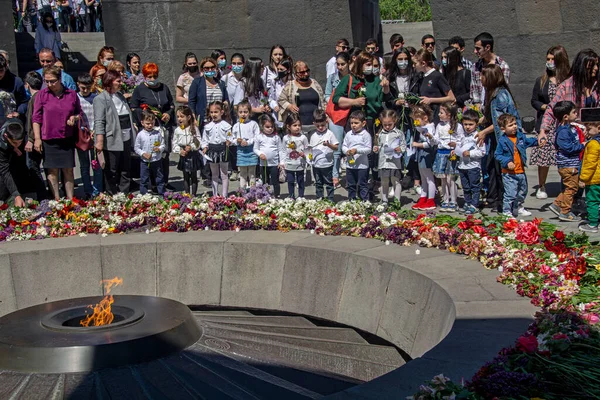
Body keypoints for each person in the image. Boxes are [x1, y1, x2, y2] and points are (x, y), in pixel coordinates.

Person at [539, 49, 599, 198]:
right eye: (592, 65)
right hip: (572, 137)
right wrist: (543, 131)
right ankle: (569, 203)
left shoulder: (597, 85)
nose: (596, 69)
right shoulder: (567, 85)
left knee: (593, 170)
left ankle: (592, 203)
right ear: (582, 66)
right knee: (573, 172)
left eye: (597, 65)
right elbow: (551, 109)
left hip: (594, 135)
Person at [476, 64, 529, 213]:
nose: (481, 78)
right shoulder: (493, 93)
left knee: (504, 171)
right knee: (493, 168)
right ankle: (496, 200)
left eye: (483, 75)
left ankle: (510, 204)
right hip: (498, 139)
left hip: (506, 139)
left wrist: (484, 132)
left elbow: (501, 123)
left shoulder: (500, 95)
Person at [32, 65, 80, 200]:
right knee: (52, 171)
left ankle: (70, 199)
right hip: (49, 137)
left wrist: (74, 117)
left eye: (52, 81)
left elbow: (78, 112)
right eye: (46, 81)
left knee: (68, 169)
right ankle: (57, 199)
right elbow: (36, 118)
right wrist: (37, 138)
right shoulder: (42, 95)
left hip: (66, 137)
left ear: (60, 79)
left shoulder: (71, 94)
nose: (49, 84)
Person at [530, 45, 570, 199]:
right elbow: (534, 100)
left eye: (552, 59)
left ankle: (565, 185)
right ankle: (541, 186)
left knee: (565, 154)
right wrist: (544, 106)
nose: (549, 62)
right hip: (546, 122)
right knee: (544, 155)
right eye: (548, 59)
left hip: (563, 123)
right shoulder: (541, 80)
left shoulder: (567, 80)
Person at [130, 62, 175, 187]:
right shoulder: (139, 89)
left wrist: (168, 114)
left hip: (163, 126)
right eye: (149, 77)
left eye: (155, 76)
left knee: (164, 153)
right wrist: (147, 113)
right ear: (144, 76)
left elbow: (171, 104)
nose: (152, 79)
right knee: (150, 154)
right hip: (148, 127)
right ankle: (152, 183)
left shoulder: (164, 87)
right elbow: (133, 107)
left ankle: (164, 182)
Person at [93, 70, 135, 195]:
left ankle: (124, 193)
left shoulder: (120, 96)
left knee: (125, 168)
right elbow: (99, 121)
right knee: (111, 169)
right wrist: (99, 141)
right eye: (118, 81)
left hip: (126, 136)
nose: (121, 83)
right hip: (112, 139)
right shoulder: (100, 99)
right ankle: (111, 194)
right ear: (110, 82)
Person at [494, 113, 540, 217]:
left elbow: (529, 142)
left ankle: (518, 206)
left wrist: (538, 141)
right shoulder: (503, 141)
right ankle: (506, 212)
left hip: (521, 171)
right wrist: (507, 162)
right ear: (503, 129)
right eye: (510, 125)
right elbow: (497, 155)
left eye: (515, 124)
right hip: (509, 174)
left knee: (523, 191)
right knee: (510, 193)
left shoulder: (520, 137)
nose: (514, 126)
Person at [547, 101, 584, 222]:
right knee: (572, 189)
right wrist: (582, 146)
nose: (576, 113)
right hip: (568, 166)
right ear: (565, 116)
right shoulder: (563, 131)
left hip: (571, 164)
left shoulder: (569, 128)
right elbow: (568, 148)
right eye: (574, 112)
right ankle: (565, 212)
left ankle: (557, 204)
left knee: (569, 187)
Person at [324, 51, 350, 187]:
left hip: (350, 113)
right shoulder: (333, 77)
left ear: (349, 63)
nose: (340, 67)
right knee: (336, 147)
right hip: (335, 114)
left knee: (351, 145)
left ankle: (352, 176)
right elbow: (327, 94)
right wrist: (331, 106)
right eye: (338, 64)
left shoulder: (352, 78)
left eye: (343, 64)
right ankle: (335, 176)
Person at [432, 102, 464, 212]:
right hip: (441, 153)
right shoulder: (439, 126)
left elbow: (461, 140)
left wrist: (456, 148)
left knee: (451, 179)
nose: (439, 115)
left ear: (449, 114)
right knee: (443, 179)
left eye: (441, 113)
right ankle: (445, 200)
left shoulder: (457, 126)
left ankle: (453, 201)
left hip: (451, 154)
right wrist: (431, 137)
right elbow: (436, 139)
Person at [76, 72, 102, 198]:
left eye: (87, 87)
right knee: (84, 164)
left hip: (94, 133)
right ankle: (87, 189)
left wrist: (95, 130)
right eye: (82, 88)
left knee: (96, 163)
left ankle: (97, 190)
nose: (85, 90)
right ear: (78, 85)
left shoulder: (96, 97)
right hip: (82, 134)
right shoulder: (76, 98)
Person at [23, 71, 48, 200]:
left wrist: (31, 139)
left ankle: (42, 195)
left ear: (27, 85)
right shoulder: (42, 96)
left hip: (35, 138)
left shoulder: (35, 98)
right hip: (43, 137)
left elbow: (34, 121)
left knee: (33, 166)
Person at [278, 60, 325, 129]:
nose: (306, 74)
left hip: (317, 125)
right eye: (302, 72)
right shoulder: (290, 85)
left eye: (307, 71)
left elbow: (323, 101)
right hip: (298, 127)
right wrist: (289, 106)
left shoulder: (314, 83)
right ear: (296, 74)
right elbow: (281, 99)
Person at [372, 109, 406, 204]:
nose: (387, 127)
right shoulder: (380, 134)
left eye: (389, 124)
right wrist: (376, 149)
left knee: (395, 181)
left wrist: (400, 149)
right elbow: (378, 146)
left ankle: (397, 200)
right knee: (384, 181)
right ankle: (384, 200)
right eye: (385, 124)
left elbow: (404, 146)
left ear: (394, 121)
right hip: (383, 162)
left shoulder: (398, 133)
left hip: (394, 162)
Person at [413, 49, 455, 123]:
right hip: (427, 115)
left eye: (415, 63)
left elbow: (451, 97)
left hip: (437, 114)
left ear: (423, 63)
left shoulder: (437, 76)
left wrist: (430, 100)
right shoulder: (421, 77)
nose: (413, 66)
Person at [456, 109, 486, 215]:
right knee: (466, 187)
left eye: (470, 124)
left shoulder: (478, 136)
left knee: (474, 186)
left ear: (476, 124)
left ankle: (474, 204)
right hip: (462, 166)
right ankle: (468, 202)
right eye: (465, 124)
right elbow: (459, 147)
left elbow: (482, 152)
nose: (468, 127)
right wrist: (454, 151)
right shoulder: (462, 136)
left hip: (473, 166)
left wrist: (470, 153)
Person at [470, 32, 510, 105]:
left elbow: (503, 91)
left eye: (478, 48)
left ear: (487, 47)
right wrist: (477, 105)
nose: (475, 51)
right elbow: (474, 90)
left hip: (497, 107)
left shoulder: (502, 66)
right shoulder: (475, 67)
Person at [201, 101, 231, 197]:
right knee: (214, 174)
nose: (213, 114)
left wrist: (229, 141)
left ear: (221, 112)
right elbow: (204, 139)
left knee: (224, 174)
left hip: (223, 149)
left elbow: (230, 136)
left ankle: (224, 195)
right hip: (212, 150)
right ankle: (215, 195)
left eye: (216, 112)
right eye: (211, 112)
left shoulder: (226, 125)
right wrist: (204, 147)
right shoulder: (207, 126)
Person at [188, 57, 229, 128]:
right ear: (202, 69)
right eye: (206, 68)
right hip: (204, 121)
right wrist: (193, 117)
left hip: (219, 121)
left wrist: (225, 103)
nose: (210, 70)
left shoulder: (221, 83)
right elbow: (191, 101)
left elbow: (226, 99)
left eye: (212, 67)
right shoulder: (197, 82)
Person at [0, 119, 33, 206]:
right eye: (15, 143)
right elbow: (5, 172)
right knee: (5, 176)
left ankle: (24, 191)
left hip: (14, 147)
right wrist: (16, 195)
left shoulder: (19, 127)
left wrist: (16, 146)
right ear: (6, 136)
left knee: (20, 167)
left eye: (20, 142)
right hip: (3, 151)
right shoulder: (1, 143)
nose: (18, 144)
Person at [410, 104, 436, 211]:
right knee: (423, 178)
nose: (416, 122)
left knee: (429, 178)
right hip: (421, 154)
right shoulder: (422, 127)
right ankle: (423, 198)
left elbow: (430, 144)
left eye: (417, 120)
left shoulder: (430, 128)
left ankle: (431, 199)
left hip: (427, 154)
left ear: (425, 118)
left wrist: (417, 145)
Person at [309, 109, 338, 201]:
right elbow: (311, 149)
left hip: (327, 164)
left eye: (322, 125)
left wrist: (329, 144)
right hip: (316, 164)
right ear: (314, 124)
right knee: (318, 183)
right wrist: (308, 156)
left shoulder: (330, 134)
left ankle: (330, 199)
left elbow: (336, 147)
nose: (320, 127)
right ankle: (319, 198)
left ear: (326, 122)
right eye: (318, 126)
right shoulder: (313, 135)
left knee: (329, 183)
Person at [134, 109, 165, 195]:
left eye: (152, 123)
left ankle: (162, 194)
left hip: (156, 160)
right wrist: (143, 153)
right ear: (142, 123)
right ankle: (144, 196)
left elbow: (163, 145)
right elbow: (136, 148)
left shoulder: (157, 133)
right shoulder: (140, 135)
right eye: (147, 123)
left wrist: (159, 149)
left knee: (159, 178)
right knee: (144, 179)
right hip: (145, 161)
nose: (150, 125)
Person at [342, 110, 371, 201]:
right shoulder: (348, 134)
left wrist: (357, 151)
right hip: (350, 165)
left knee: (362, 185)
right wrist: (346, 151)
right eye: (351, 123)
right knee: (351, 185)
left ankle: (365, 202)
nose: (353, 125)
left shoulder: (365, 135)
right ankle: (352, 201)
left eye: (356, 123)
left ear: (363, 123)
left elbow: (368, 149)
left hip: (362, 166)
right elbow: (344, 145)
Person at [173, 105, 201, 196]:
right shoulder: (177, 130)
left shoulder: (194, 128)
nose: (179, 119)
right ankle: (187, 194)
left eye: (182, 116)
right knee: (185, 176)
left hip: (192, 155)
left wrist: (191, 146)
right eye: (178, 117)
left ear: (188, 117)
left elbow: (199, 142)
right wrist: (179, 150)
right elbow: (174, 144)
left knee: (193, 176)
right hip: (183, 154)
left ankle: (194, 195)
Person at [254, 113, 282, 197]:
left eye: (272, 127)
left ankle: (277, 195)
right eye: (267, 127)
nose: (270, 129)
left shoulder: (276, 137)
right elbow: (255, 149)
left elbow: (280, 150)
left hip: (274, 164)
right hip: (263, 164)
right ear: (262, 126)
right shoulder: (259, 137)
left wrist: (281, 162)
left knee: (275, 181)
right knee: (265, 181)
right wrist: (260, 154)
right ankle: (265, 195)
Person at [281, 113, 308, 199]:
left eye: (299, 125)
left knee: (300, 181)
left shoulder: (303, 137)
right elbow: (283, 151)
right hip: (289, 164)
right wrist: (282, 162)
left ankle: (301, 197)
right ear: (288, 127)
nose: (297, 127)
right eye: (294, 125)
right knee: (290, 181)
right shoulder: (286, 138)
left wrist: (304, 154)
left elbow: (308, 150)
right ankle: (291, 197)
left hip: (300, 164)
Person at [579, 123, 600, 233]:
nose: (586, 131)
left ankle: (593, 224)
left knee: (592, 201)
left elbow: (590, 164)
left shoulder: (593, 144)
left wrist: (583, 178)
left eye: (589, 128)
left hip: (594, 179)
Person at [233, 100, 259, 190]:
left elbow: (257, 137)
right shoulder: (236, 126)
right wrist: (237, 140)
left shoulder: (253, 124)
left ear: (249, 112)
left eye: (245, 112)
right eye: (240, 112)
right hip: (241, 151)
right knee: (243, 173)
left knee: (252, 173)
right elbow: (232, 138)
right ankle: (242, 192)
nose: (243, 114)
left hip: (251, 151)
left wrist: (248, 142)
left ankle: (253, 192)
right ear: (237, 113)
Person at [268, 56, 293, 129]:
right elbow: (271, 98)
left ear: (288, 70)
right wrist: (274, 105)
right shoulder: (275, 82)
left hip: (290, 115)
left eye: (281, 69)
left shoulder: (293, 82)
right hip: (277, 116)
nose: (279, 71)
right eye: (278, 69)